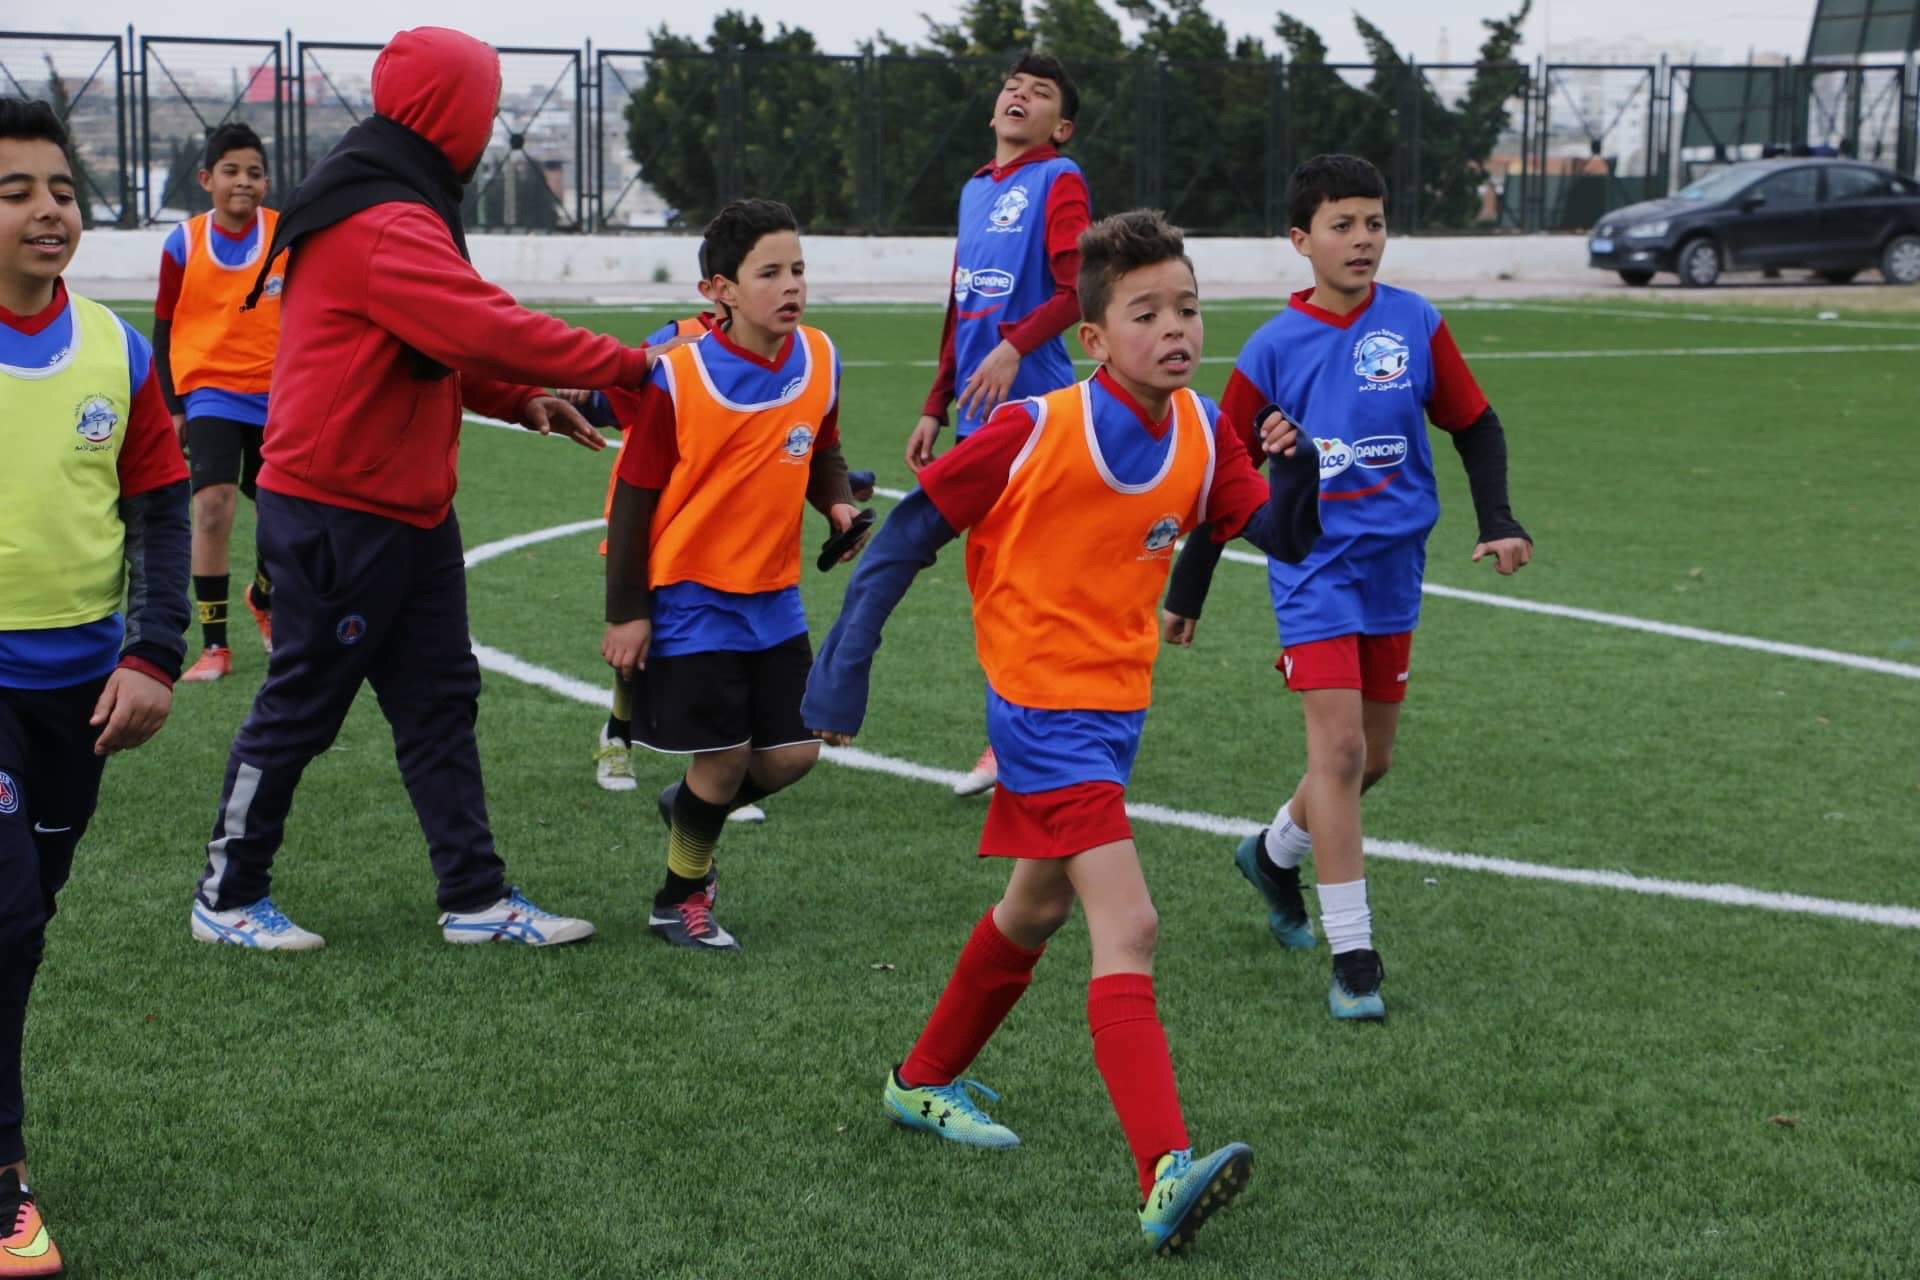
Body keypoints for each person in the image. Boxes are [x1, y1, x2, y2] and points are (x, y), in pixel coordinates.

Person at [803, 210, 1320, 1255]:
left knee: (1032, 910)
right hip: (1040, 711)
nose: (1176, 327)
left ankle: (920, 1079)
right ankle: (1163, 1169)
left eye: (1188, 307)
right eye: (1147, 311)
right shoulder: (1037, 428)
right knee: (1129, 925)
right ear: (1095, 338)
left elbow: (1284, 533)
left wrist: (1296, 464)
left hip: (1115, 709)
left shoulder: (1206, 430)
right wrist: (840, 676)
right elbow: (906, 533)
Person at [189, 27, 661, 951]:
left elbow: (436, 345)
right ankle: (226, 896)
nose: (488, 128)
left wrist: (524, 401)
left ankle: (475, 899)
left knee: (441, 701)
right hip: (339, 511)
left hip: (409, 512)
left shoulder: (398, 199)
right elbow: (483, 324)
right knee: (302, 705)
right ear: (452, 111)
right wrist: (637, 367)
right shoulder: (386, 220)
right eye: (482, 106)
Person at [1163, 154, 1533, 1021]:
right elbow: (1226, 470)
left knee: (1373, 760)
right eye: (1342, 224)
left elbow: (1475, 425)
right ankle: (1355, 958)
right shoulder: (1271, 348)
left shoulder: (1414, 323)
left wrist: (1500, 520)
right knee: (1337, 755)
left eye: (1373, 221)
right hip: (1313, 569)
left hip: (1394, 569)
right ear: (1301, 241)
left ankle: (1271, 853)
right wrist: (1191, 585)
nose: (1362, 238)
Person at [0, 96, 191, 1278]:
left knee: (23, 930)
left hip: (84, 696)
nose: (47, 210)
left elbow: (162, 510)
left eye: (61, 189)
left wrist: (153, 651)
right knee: (5, 912)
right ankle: (6, 1177)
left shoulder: (118, 349)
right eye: (15, 190)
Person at [601, 198, 865, 952]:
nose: (792, 286)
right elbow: (634, 498)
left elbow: (822, 450)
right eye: (770, 273)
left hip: (775, 596)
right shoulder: (679, 377)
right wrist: (627, 612)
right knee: (720, 757)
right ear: (719, 290)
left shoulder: (820, 355)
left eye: (799, 269)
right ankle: (676, 899)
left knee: (792, 753)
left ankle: (691, 812)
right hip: (691, 595)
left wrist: (839, 508)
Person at [902, 50, 1092, 798]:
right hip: (977, 420)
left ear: (1061, 125)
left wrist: (1016, 348)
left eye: (1040, 92)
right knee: (989, 581)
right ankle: (1015, 735)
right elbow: (962, 307)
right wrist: (933, 403)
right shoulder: (976, 190)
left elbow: (1081, 290)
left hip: (1035, 417)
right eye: (1013, 85)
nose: (1020, 93)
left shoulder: (1059, 180)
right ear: (994, 108)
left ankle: (1021, 740)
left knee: (1028, 580)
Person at [152, 122, 283, 681]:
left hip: (279, 394)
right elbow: (163, 326)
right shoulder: (183, 243)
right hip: (210, 392)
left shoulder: (286, 235)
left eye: (254, 172)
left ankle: (264, 597)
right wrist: (173, 405)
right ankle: (214, 647)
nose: (243, 182)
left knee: (283, 516)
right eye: (231, 171)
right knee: (212, 506)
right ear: (207, 179)